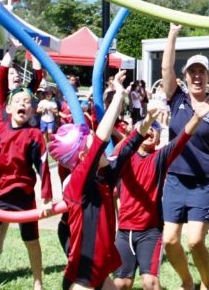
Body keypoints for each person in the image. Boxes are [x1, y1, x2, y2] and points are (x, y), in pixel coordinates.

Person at [159, 23, 209, 290]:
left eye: (201, 72)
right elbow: (166, 70)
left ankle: (206, 284)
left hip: (203, 182)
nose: (196, 76)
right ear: (185, 76)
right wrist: (172, 34)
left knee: (194, 240)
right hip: (174, 179)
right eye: (192, 71)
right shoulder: (176, 98)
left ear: (208, 76)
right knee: (169, 240)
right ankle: (187, 281)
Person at [50, 70, 136, 289]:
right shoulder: (79, 180)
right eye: (88, 139)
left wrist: (146, 124)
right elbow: (101, 138)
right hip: (85, 274)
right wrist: (117, 95)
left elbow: (126, 149)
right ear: (82, 157)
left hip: (97, 269)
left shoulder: (99, 177)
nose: (96, 142)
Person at [114, 102, 204, 290]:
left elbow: (182, 139)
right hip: (124, 231)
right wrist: (141, 126)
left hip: (150, 232)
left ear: (158, 140)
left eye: (156, 129)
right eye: (147, 128)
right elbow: (125, 144)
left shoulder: (160, 157)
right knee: (121, 283)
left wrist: (197, 118)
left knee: (150, 282)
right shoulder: (124, 157)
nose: (150, 131)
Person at [0, 85, 54, 290]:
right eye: (17, 101)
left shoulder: (35, 135)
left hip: (24, 196)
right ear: (8, 109)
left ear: (32, 110)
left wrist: (47, 197)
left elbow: (43, 166)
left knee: (32, 241)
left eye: (26, 102)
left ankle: (38, 282)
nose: (22, 105)